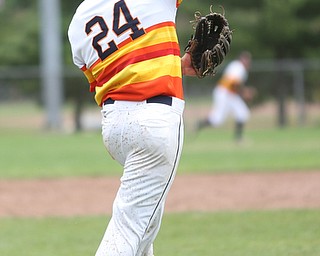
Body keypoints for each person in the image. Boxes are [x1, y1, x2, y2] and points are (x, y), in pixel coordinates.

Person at [68, 0, 196, 255]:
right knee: (129, 227)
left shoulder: (77, 23)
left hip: (115, 125)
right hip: (155, 121)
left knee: (147, 223)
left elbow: (117, 75)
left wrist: (175, 65)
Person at [197, 51, 253, 142]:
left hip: (230, 94)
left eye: (248, 60)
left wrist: (243, 92)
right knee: (217, 119)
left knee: (242, 114)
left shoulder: (240, 68)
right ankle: (199, 124)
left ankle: (238, 139)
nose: (247, 61)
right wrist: (244, 92)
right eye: (245, 59)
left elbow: (235, 85)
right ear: (241, 59)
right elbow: (234, 83)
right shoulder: (238, 66)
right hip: (224, 93)